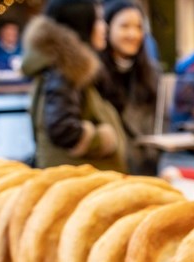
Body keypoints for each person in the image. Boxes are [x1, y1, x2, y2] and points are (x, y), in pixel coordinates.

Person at [22, 0, 127, 172]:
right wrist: (104, 139)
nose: (105, 27)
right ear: (81, 23)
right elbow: (62, 129)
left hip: (78, 177)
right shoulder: (67, 70)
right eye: (98, 19)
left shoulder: (67, 67)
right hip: (76, 180)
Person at [99, 0, 159, 174]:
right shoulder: (93, 74)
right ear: (107, 28)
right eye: (124, 26)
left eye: (139, 27)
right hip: (108, 171)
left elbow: (159, 125)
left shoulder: (151, 74)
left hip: (146, 171)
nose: (133, 34)